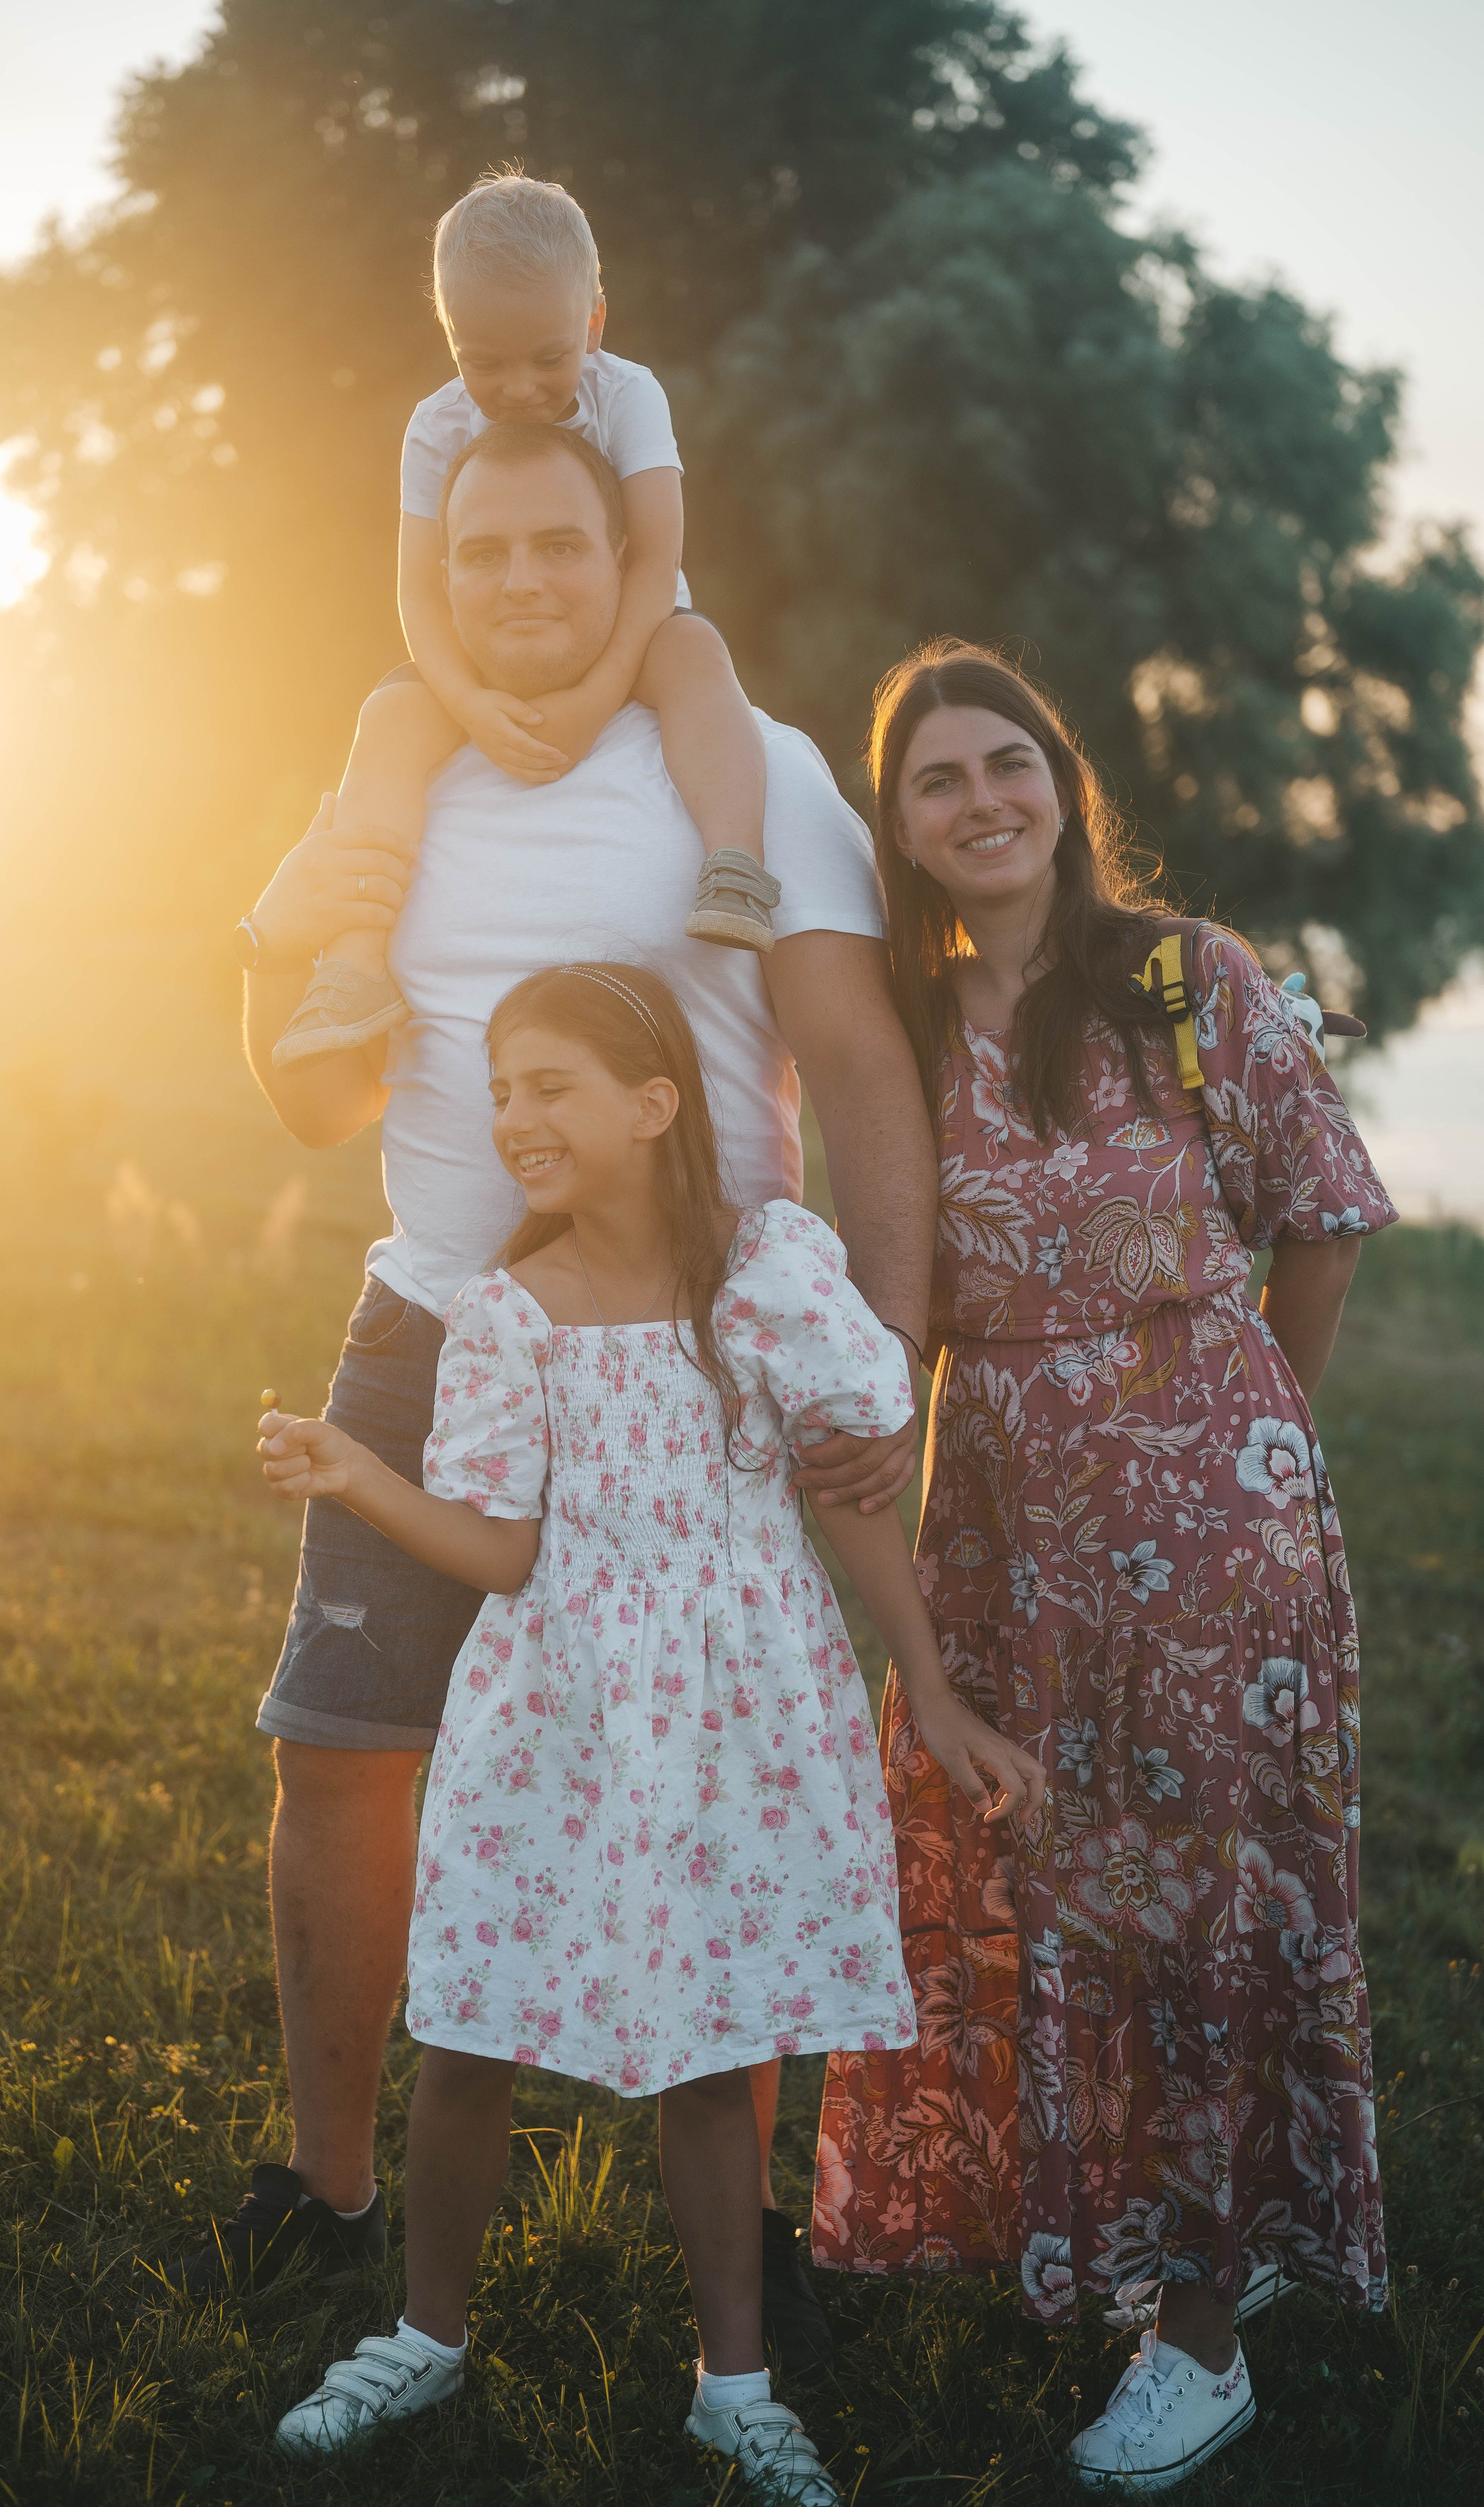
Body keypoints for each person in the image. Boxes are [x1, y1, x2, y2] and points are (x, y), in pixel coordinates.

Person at [195, 418, 939, 2370]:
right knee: (342, 1752)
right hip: (431, 1333)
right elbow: (313, 1090)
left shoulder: (748, 768)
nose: (520, 582)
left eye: (560, 548)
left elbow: (860, 1066)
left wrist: (885, 1354)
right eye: (483, 553)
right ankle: (329, 2194)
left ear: (633, 567)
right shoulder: (400, 779)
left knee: (715, 1773)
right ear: (435, 577)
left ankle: (745, 2242)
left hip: (695, 1364)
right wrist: (269, 960)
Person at [253, 964, 1043, 2493]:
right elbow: (503, 1549)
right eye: (499, 1090)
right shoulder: (507, 1311)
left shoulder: (762, 1270)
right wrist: (359, 1475)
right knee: (468, 2024)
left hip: (739, 1708)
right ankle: (424, 2334)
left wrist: (930, 1685)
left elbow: (851, 1474)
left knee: (714, 2042)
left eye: (547, 1085)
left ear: (654, 1103)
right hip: (551, 1711)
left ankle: (731, 2383)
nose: (514, 1117)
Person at [810, 642, 1395, 2494]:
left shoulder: (1183, 978)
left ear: (1060, 787)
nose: (981, 800)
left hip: (1217, 1523)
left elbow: (1321, 1213)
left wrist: (1246, 1435)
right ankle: (1150, 2233)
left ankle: (1204, 2338)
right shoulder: (899, 1027)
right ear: (901, 829)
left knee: (1211, 1905)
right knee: (1066, 1891)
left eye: (1009, 763)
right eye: (936, 780)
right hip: (1003, 1535)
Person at [270, 169, 778, 1076]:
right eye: (484, 363)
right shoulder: (435, 428)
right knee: (390, 717)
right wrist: (467, 704)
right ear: (450, 340)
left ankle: (735, 864)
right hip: (488, 653)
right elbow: (419, 594)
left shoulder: (629, 395)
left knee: (697, 652)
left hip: (634, 626)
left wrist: (598, 695)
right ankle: (355, 961)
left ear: (594, 323)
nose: (519, 388)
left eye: (549, 358)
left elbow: (654, 557)